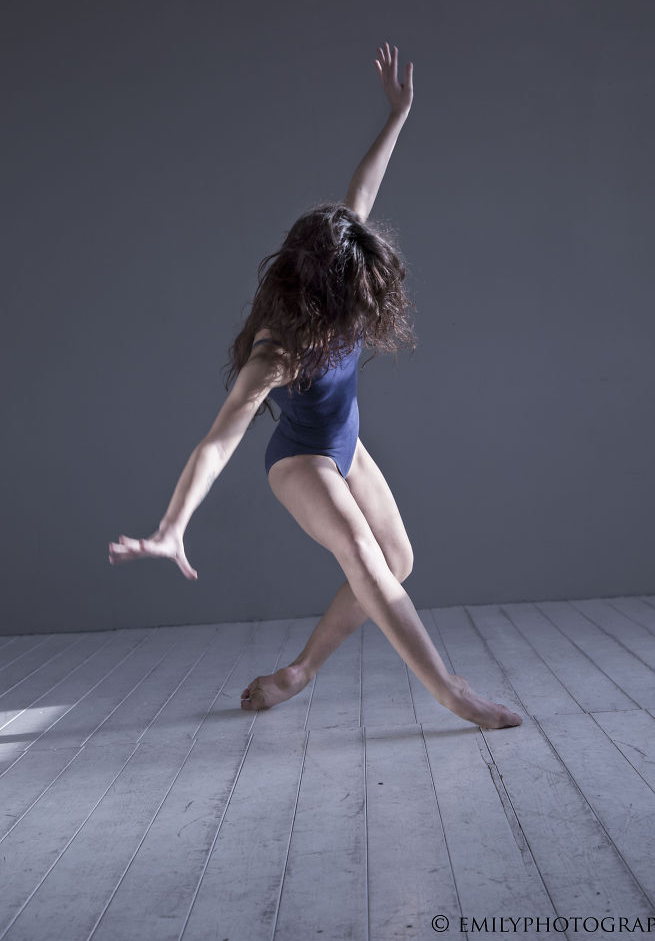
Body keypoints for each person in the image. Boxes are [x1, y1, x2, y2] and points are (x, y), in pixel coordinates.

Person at [108, 43, 523, 730]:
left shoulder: (342, 258)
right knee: (364, 555)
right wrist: (171, 527)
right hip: (302, 461)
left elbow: (362, 190)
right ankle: (450, 690)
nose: (365, 308)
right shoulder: (278, 348)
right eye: (352, 299)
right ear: (317, 294)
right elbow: (217, 443)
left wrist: (399, 114)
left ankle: (299, 672)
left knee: (397, 559)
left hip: (346, 442)